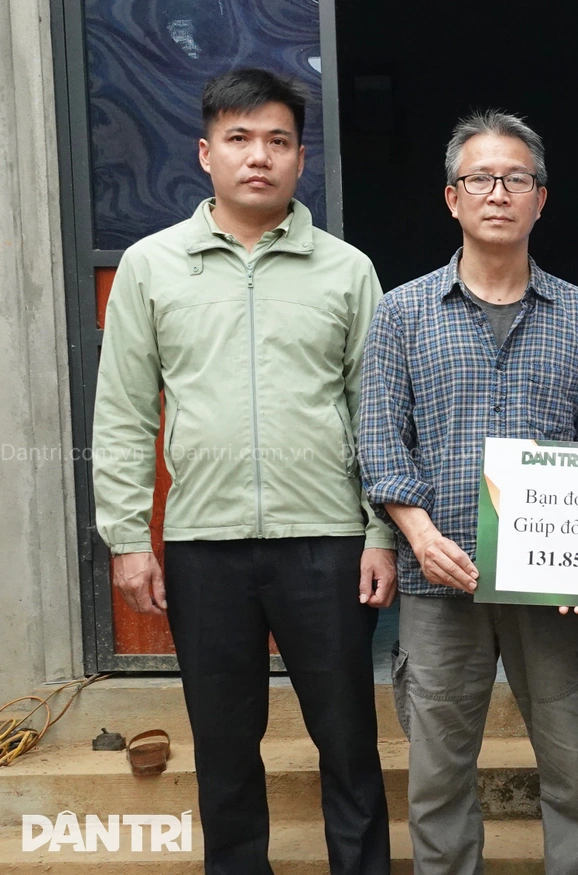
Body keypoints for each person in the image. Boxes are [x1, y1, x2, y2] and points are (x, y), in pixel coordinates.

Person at [92, 68, 395, 874]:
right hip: (205, 543)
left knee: (348, 739)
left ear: (301, 158)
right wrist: (129, 537)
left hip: (327, 541)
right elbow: (123, 409)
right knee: (224, 747)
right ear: (206, 153)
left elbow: (376, 412)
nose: (258, 156)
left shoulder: (346, 270)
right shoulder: (153, 266)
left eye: (277, 141)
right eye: (239, 138)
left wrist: (379, 532)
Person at [357, 110, 578, 875]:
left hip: (553, 586)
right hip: (438, 578)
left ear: (541, 199)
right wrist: (418, 534)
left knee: (577, 762)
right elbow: (380, 437)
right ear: (452, 197)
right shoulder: (403, 312)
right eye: (480, 178)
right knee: (439, 774)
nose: (498, 193)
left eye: (516, 179)